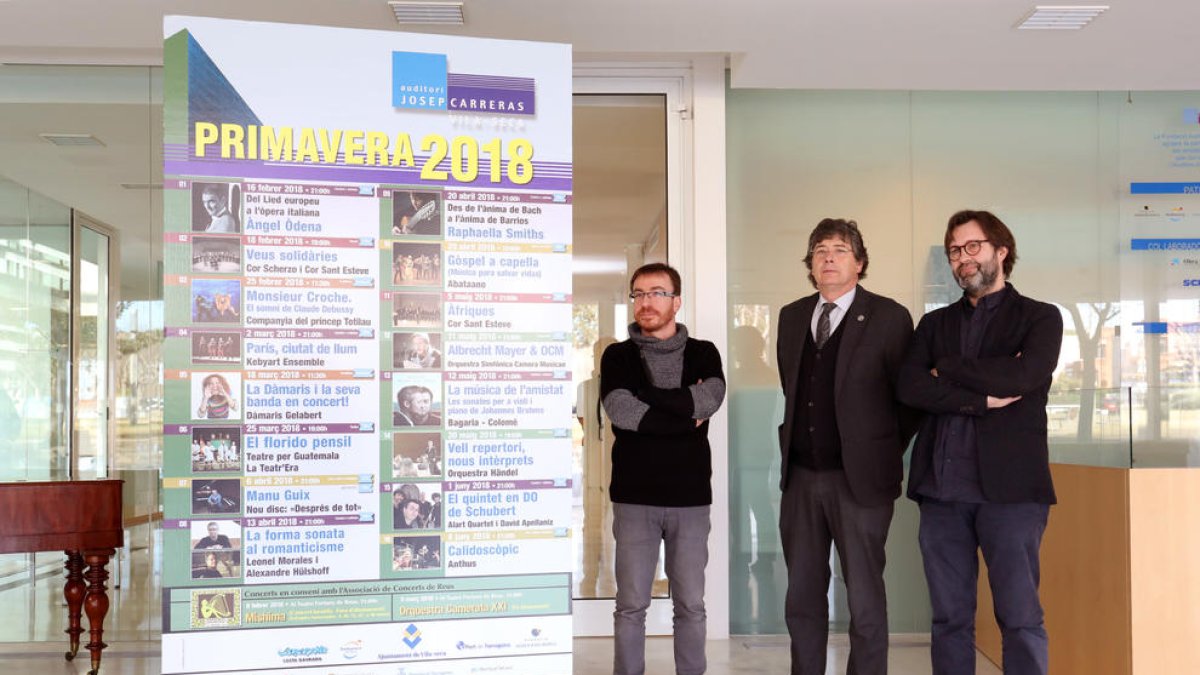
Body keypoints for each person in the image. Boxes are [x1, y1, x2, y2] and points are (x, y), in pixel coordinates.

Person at [898, 210, 1062, 675]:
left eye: (972, 247)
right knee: (949, 619)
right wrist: (980, 400)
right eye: (955, 251)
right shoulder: (933, 325)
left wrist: (945, 368)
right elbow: (910, 387)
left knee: (1019, 616)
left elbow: (1025, 375)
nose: (963, 259)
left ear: (1001, 250)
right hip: (942, 491)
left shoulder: (1040, 317)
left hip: (1011, 494)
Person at [776, 218, 916, 675]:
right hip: (801, 479)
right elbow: (793, 387)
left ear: (859, 262)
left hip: (861, 482)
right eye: (819, 250)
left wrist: (878, 450)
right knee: (802, 596)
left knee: (864, 595)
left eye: (839, 249)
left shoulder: (889, 317)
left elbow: (909, 400)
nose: (828, 257)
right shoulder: (793, 316)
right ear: (811, 265)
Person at [600, 262, 725, 675]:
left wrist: (647, 398)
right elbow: (620, 410)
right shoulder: (617, 356)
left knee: (690, 604)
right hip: (634, 498)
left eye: (656, 292)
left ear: (677, 301)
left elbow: (709, 402)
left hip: (690, 499)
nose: (645, 302)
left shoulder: (704, 352)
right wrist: (682, 413)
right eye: (638, 294)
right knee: (630, 605)